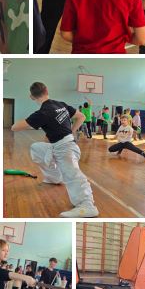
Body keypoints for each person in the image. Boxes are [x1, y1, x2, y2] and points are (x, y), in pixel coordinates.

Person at [11, 82, 98, 218]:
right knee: (36, 148)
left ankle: (87, 206)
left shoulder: (42, 113)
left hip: (67, 149)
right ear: (47, 90)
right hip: (58, 145)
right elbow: (82, 117)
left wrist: (33, 121)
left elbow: (14, 127)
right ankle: (54, 177)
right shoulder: (61, 104)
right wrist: (71, 131)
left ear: (32, 97)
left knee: (73, 175)